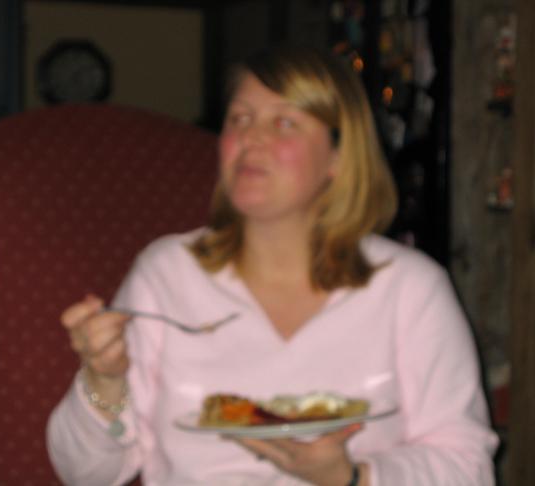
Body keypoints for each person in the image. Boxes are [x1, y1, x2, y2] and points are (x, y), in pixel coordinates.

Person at [47, 45, 498, 486]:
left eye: (283, 123)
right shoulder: (166, 275)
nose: (251, 138)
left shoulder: (410, 288)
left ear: (339, 157)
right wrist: (104, 381)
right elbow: (85, 474)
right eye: (239, 119)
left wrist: (353, 477)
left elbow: (467, 468)